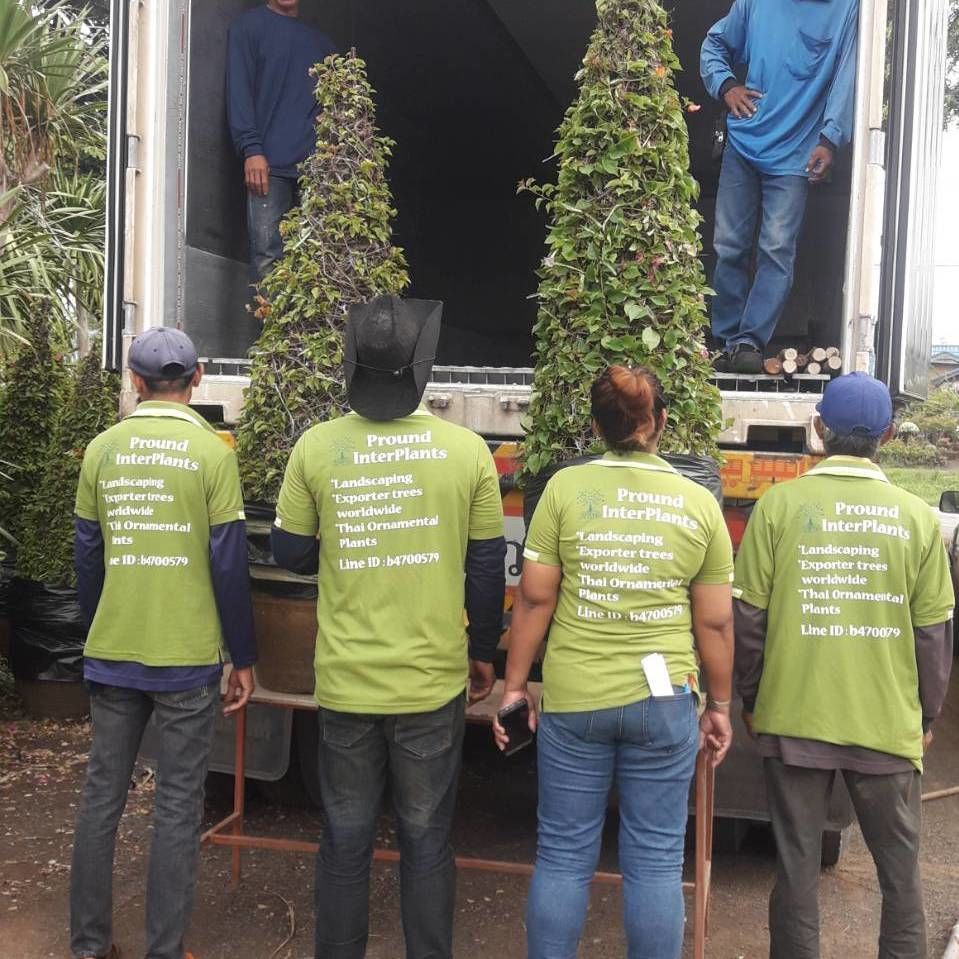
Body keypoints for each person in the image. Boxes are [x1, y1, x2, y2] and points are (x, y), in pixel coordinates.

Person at [270, 295, 506, 959]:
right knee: (427, 837)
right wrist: (481, 649)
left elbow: (288, 551)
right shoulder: (466, 450)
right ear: (420, 369)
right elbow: (485, 564)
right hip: (431, 683)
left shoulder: (317, 446)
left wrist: (344, 543)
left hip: (346, 683)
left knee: (344, 837)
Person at [494, 365, 735, 959]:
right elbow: (715, 621)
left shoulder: (565, 492)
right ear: (661, 423)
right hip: (665, 703)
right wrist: (721, 705)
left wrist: (515, 688)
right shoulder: (698, 502)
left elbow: (533, 599)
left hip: (576, 702)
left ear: (596, 426)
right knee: (655, 858)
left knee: (563, 853)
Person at [733, 372, 954, 958]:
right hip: (886, 726)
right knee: (900, 878)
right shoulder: (916, 520)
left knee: (796, 870)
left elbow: (749, 620)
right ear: (888, 433)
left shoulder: (777, 506)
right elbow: (933, 634)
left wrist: (752, 700)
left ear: (818, 429)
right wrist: (925, 715)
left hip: (794, 720)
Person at [70, 327, 256, 959]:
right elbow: (229, 567)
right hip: (187, 661)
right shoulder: (214, 455)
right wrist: (244, 658)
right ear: (198, 377)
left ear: (135, 381)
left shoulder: (101, 451)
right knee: (177, 807)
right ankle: (164, 949)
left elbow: (87, 558)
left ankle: (90, 946)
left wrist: (102, 625)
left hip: (113, 652)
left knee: (102, 799)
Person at [700, 0, 859, 373]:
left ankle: (749, 341)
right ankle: (724, 340)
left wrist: (830, 138)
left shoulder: (848, 8)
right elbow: (714, 45)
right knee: (729, 245)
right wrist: (726, 85)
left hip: (796, 154)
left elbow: (850, 75)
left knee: (776, 249)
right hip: (742, 144)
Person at [227, 0, 336, 279]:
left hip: (315, 173)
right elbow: (239, 93)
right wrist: (251, 149)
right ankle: (271, 326)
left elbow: (335, 110)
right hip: (268, 168)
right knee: (268, 259)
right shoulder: (247, 28)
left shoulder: (322, 45)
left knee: (320, 262)